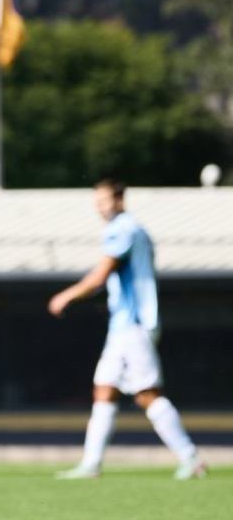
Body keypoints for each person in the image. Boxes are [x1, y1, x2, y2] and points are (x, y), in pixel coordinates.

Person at [49, 179, 206, 480]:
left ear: (119, 199)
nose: (99, 208)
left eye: (104, 201)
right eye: (96, 202)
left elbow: (100, 275)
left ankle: (191, 458)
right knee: (104, 389)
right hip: (122, 327)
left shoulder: (124, 229)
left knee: (147, 394)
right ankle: (91, 463)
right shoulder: (133, 228)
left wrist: (66, 295)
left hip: (133, 325)